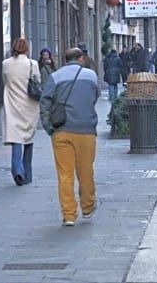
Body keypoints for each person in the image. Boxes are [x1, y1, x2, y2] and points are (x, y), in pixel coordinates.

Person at [39, 47, 100, 227]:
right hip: (86, 130)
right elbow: (94, 98)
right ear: (81, 59)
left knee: (65, 174)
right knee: (86, 170)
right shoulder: (91, 76)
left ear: (65, 59)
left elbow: (45, 101)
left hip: (61, 130)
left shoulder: (55, 77)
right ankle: (87, 206)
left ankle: (69, 214)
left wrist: (48, 127)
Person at [2, 38, 41, 186]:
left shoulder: (6, 64)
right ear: (26, 49)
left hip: (12, 103)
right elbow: (37, 80)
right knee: (28, 139)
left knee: (16, 138)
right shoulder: (32, 64)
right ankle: (27, 174)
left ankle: (17, 169)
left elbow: (5, 81)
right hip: (29, 105)